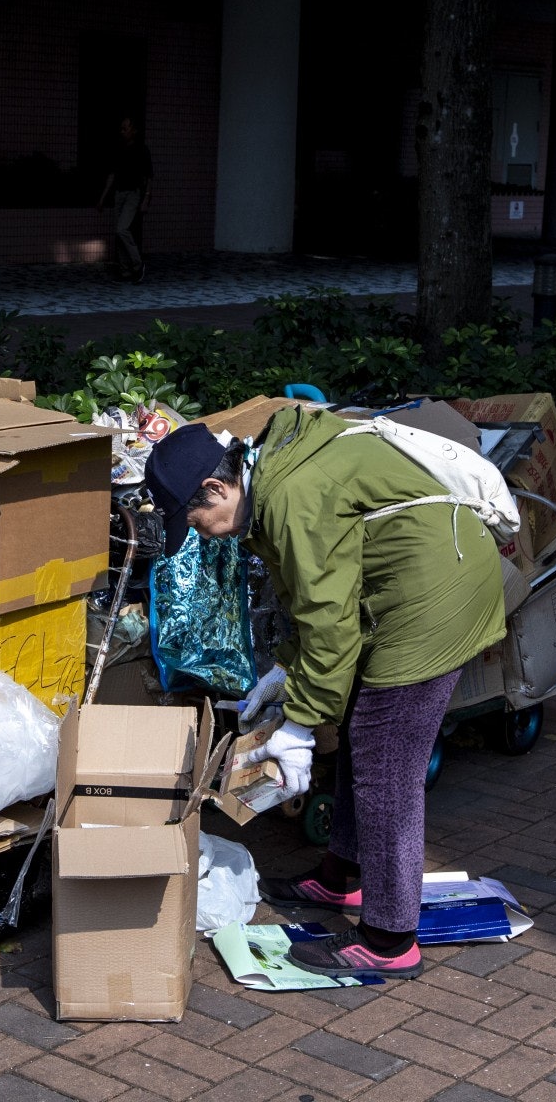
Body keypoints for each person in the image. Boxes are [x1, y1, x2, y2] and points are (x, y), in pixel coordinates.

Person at [142, 410, 507, 981]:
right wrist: (286, 673)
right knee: (366, 738)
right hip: (399, 588)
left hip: (436, 597)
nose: (198, 532)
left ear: (217, 487)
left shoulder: (290, 496)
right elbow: (311, 602)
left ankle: (390, 938)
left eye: (195, 518)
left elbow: (330, 622)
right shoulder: (269, 485)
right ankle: (343, 878)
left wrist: (300, 726)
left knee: (386, 766)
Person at [94, 117, 152, 283]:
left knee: (122, 229)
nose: (122, 131)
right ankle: (125, 270)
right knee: (118, 232)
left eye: (125, 128)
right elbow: (112, 175)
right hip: (119, 193)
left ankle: (137, 264)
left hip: (133, 193)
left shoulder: (142, 150)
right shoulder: (119, 149)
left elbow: (149, 177)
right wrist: (102, 198)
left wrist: (146, 198)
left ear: (134, 130)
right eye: (121, 128)